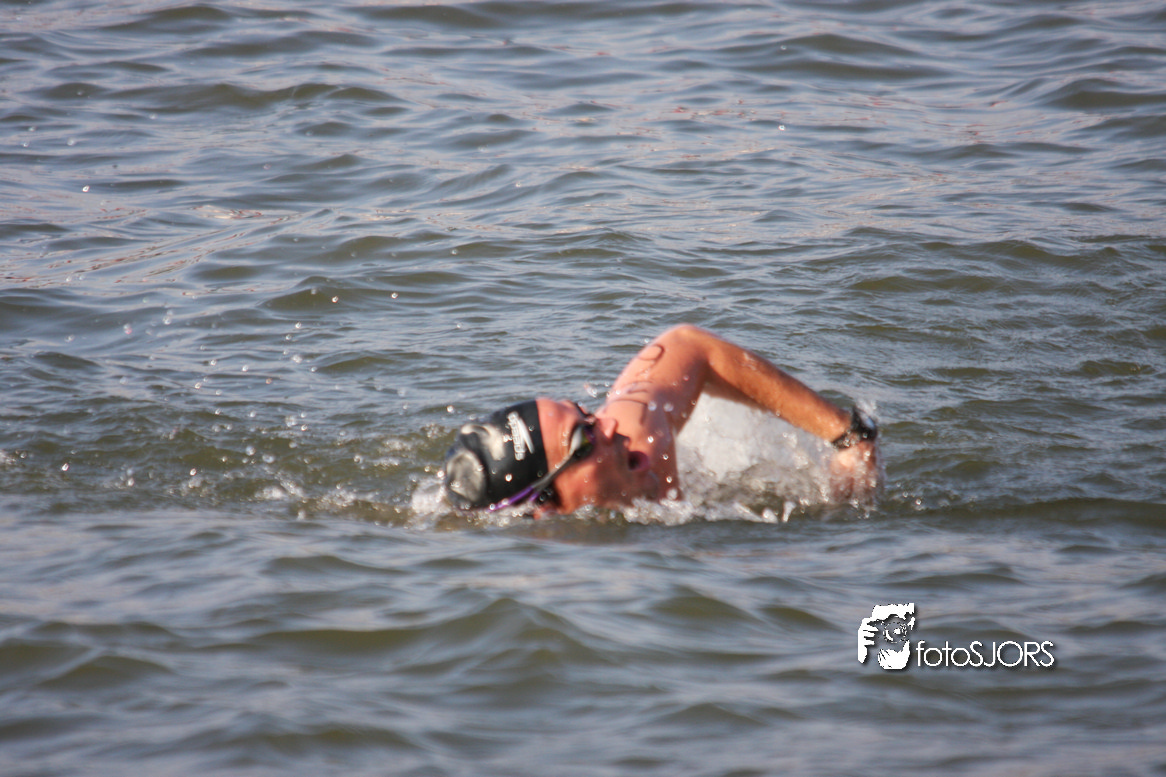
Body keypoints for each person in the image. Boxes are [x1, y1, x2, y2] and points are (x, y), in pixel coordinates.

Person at [443, 324, 880, 515]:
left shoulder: (639, 436)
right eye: (584, 439)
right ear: (546, 509)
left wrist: (848, 436)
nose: (609, 426)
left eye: (586, 414)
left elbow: (689, 344)